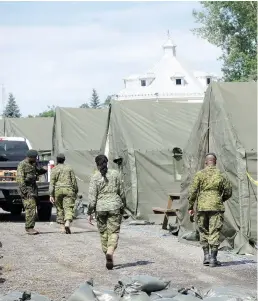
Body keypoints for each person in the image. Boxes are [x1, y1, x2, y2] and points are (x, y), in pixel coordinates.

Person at [188, 153, 232, 267]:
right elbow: (228, 191)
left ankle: (206, 257)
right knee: (215, 231)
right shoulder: (221, 174)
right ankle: (213, 259)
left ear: (206, 162)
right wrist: (220, 199)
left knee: (203, 231)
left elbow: (192, 191)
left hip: (202, 207)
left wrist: (190, 206)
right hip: (216, 207)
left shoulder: (199, 174)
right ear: (215, 162)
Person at [87, 154, 125, 270]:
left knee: (103, 233)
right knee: (113, 231)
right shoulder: (115, 174)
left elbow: (92, 198)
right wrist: (123, 205)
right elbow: (122, 192)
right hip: (114, 206)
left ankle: (107, 255)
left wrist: (90, 212)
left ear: (97, 165)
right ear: (107, 163)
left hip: (101, 208)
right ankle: (110, 251)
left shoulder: (95, 177)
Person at [17, 149, 47, 235]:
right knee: (30, 207)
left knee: (33, 207)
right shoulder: (22, 164)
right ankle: (29, 227)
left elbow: (37, 171)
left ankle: (30, 227)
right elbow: (20, 179)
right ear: (30, 157)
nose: (36, 159)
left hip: (33, 189)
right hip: (26, 189)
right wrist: (25, 192)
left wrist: (44, 170)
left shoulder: (33, 164)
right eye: (34, 158)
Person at [49, 153, 78, 234]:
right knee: (68, 207)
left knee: (59, 208)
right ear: (64, 160)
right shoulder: (69, 168)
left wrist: (51, 194)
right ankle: (67, 222)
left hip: (58, 190)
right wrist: (75, 190)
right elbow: (74, 181)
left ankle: (62, 227)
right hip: (68, 189)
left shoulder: (54, 169)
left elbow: (52, 183)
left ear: (57, 160)